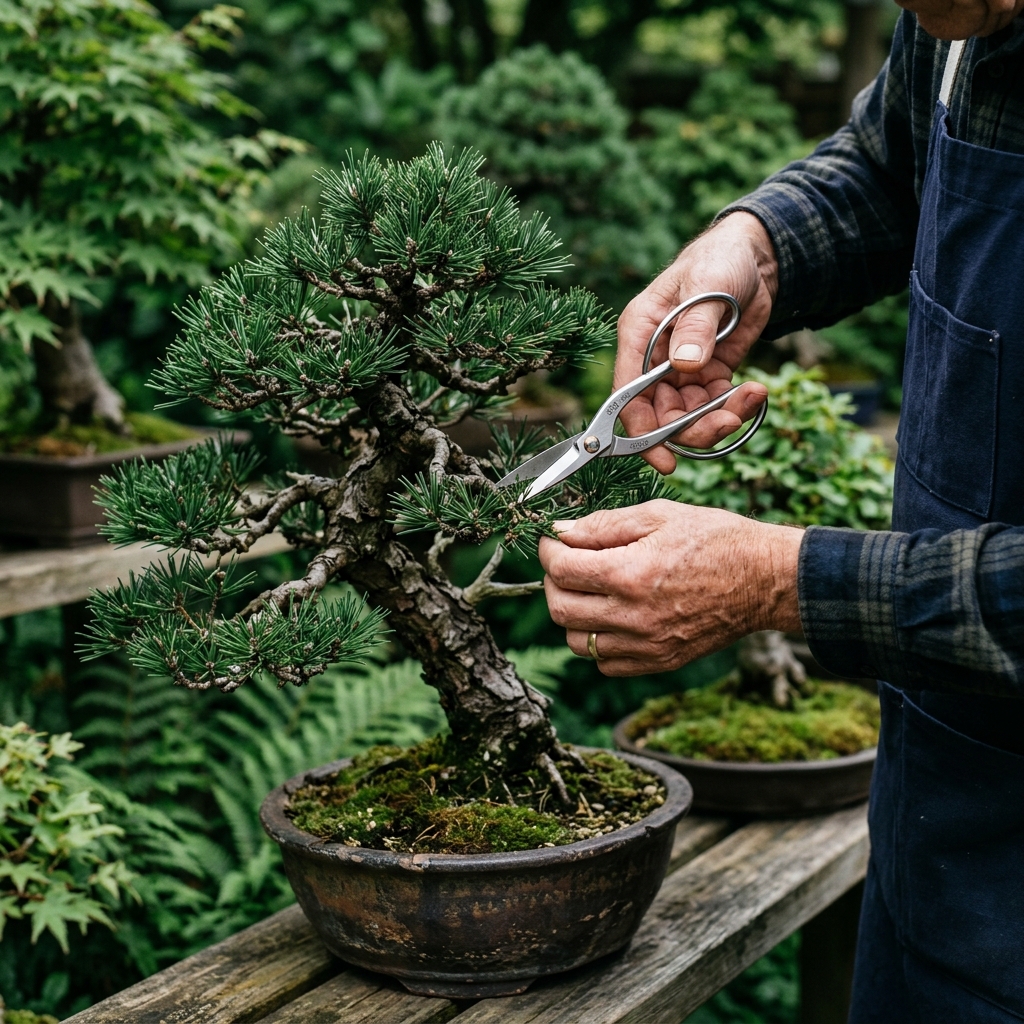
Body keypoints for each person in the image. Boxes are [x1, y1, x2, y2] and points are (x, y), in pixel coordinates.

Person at [538, 2, 1024, 1020]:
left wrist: (781, 578)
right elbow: (889, 164)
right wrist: (757, 247)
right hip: (936, 827)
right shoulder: (959, 21)